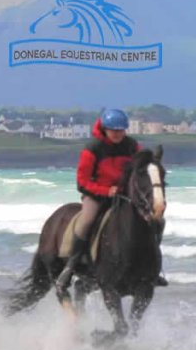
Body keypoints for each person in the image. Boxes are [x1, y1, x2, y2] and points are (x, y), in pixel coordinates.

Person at [56, 109, 168, 290]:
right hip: (97, 195)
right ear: (105, 129)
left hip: (124, 195)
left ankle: (152, 269)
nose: (117, 134)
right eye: (113, 130)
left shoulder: (132, 146)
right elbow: (82, 182)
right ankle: (71, 267)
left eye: (121, 130)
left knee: (158, 222)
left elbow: (140, 170)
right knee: (86, 221)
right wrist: (106, 191)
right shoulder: (92, 149)